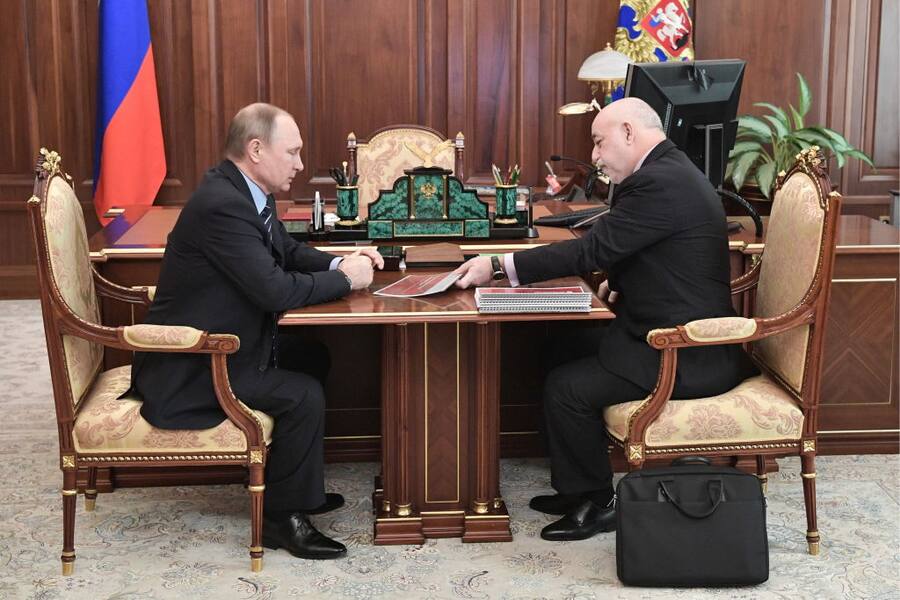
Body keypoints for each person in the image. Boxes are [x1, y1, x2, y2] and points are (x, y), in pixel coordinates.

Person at [454, 97, 757, 541]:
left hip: (686, 349)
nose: (594, 155)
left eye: (599, 142)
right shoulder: (667, 171)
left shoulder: (659, 181)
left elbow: (595, 249)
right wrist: (619, 280)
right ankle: (574, 488)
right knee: (558, 348)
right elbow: (648, 246)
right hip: (660, 331)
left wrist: (500, 265)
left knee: (568, 388)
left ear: (629, 133)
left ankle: (598, 503)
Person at [129, 103, 384, 559]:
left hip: (231, 340)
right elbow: (273, 290)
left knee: (312, 355)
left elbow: (287, 251)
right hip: (195, 360)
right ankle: (281, 520)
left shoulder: (243, 192)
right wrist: (347, 280)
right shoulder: (223, 205)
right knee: (302, 394)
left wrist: (338, 262)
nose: (300, 164)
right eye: (293, 152)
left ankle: (295, 487)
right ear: (256, 149)